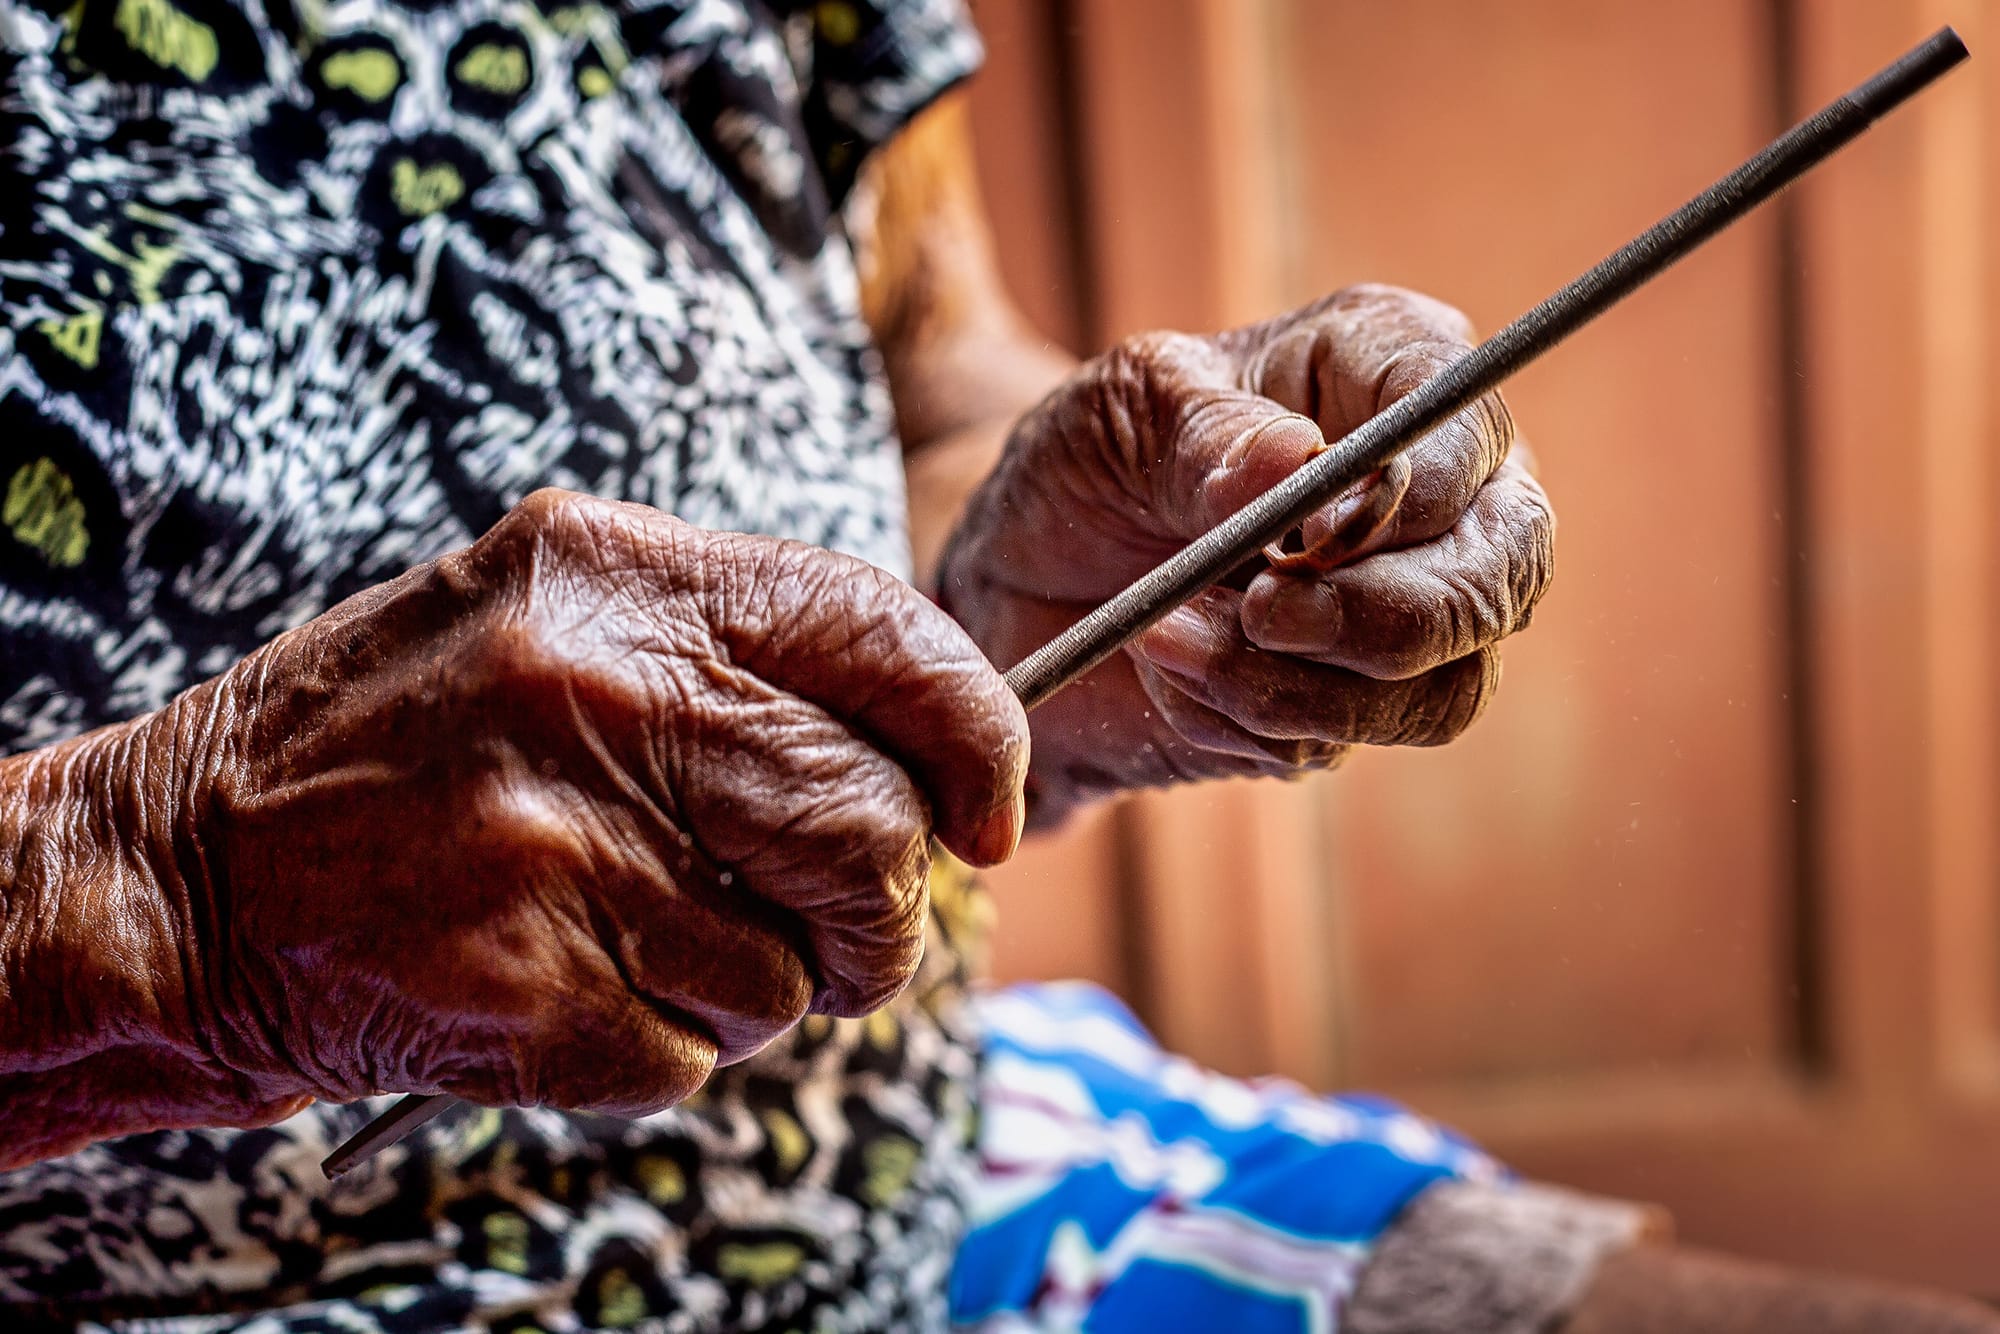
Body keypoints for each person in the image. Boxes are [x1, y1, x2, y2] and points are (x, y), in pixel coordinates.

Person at [0, 0, 1993, 1330]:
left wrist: (1006, 595)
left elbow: (926, 368)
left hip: (939, 1184)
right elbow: (145, 901)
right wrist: (168, 897)